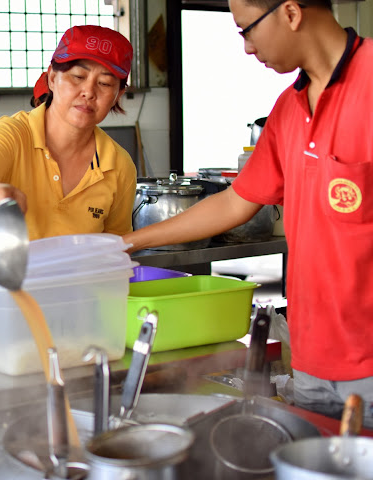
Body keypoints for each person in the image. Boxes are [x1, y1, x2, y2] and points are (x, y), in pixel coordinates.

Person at [124, 0, 373, 427]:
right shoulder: (288, 110)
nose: (246, 47)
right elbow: (236, 201)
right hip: (313, 357)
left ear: (291, 13)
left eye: (246, 29)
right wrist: (128, 242)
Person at [0, 24, 138, 275]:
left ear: (118, 94)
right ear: (52, 77)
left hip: (67, 301)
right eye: (78, 77)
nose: (89, 92)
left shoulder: (118, 164)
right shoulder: (13, 134)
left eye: (104, 83)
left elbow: (116, 250)